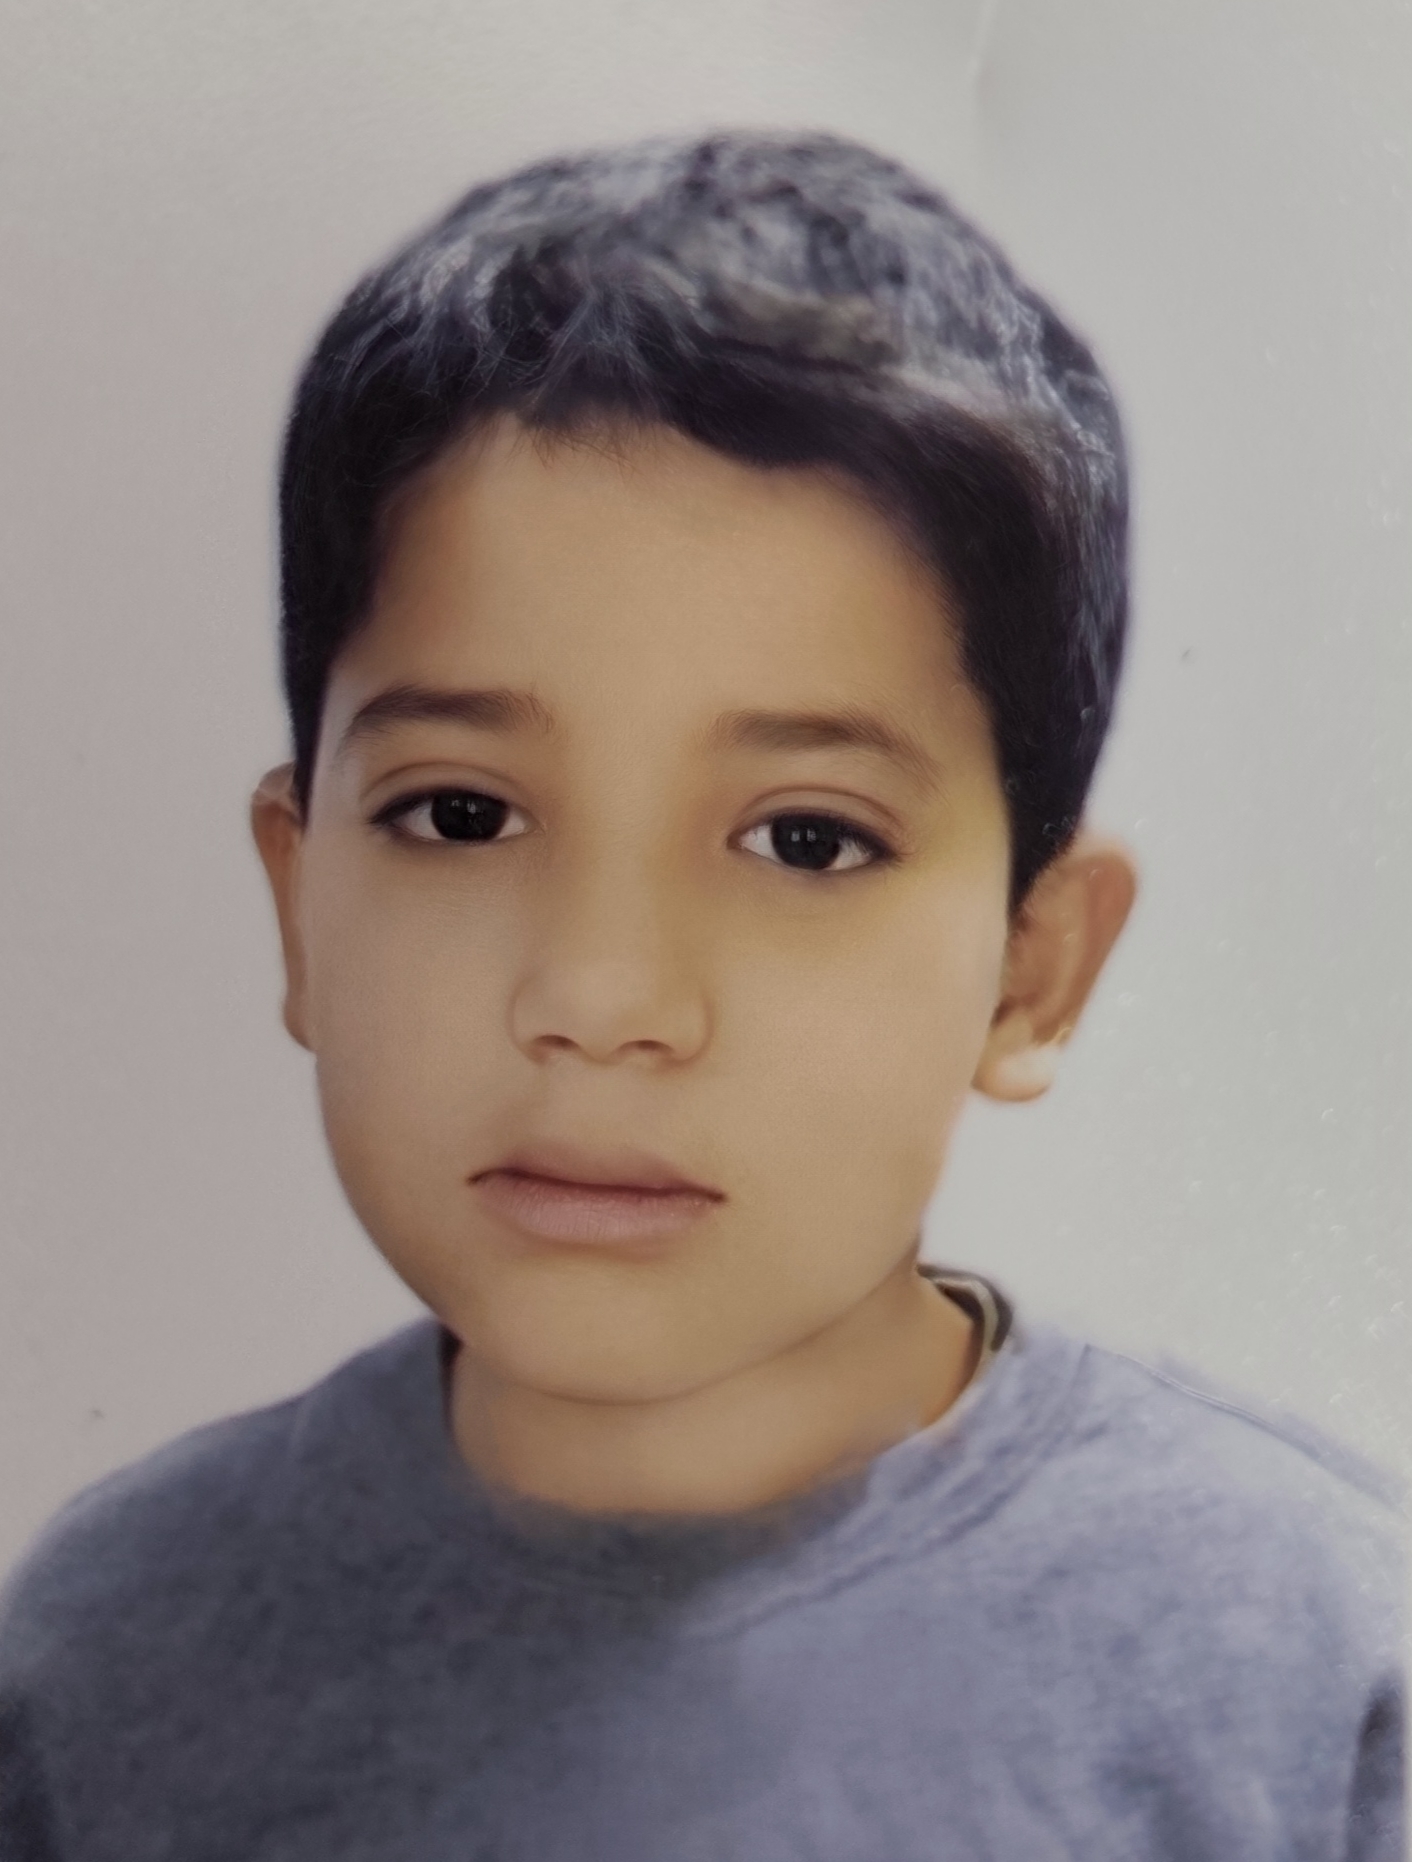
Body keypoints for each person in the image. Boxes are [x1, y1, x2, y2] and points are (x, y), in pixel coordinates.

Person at [0, 129, 1401, 1861]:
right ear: (300, 906)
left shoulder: (1307, 1663)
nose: (601, 994)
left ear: (1034, 968)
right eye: (462, 814)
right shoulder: (109, 1651)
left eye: (806, 838)